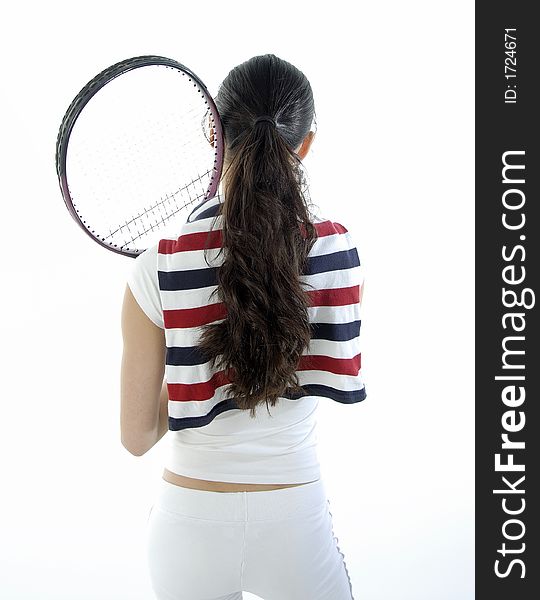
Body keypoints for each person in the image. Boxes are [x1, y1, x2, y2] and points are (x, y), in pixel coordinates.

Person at [121, 53, 366, 600]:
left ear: (215, 134)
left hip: (187, 528)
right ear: (304, 145)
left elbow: (136, 437)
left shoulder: (158, 264)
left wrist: (193, 367)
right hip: (295, 522)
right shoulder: (338, 251)